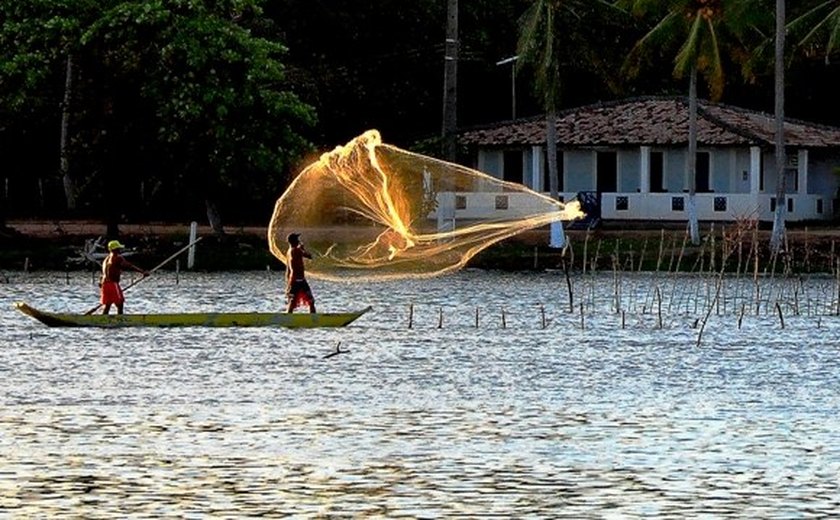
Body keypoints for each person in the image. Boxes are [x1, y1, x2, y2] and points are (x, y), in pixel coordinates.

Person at [100, 240, 148, 315]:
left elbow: (104, 273)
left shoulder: (106, 259)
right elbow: (129, 265)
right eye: (118, 248)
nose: (120, 250)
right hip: (112, 284)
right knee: (120, 303)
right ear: (115, 249)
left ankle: (103, 318)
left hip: (104, 284)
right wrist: (143, 272)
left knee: (108, 304)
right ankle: (121, 318)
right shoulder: (117, 258)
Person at [285, 232, 317, 313]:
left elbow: (288, 270)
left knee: (294, 302)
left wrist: (288, 282)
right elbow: (309, 256)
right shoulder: (296, 250)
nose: (299, 240)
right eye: (297, 239)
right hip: (297, 281)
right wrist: (302, 248)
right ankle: (312, 319)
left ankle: (289, 317)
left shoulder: (289, 252)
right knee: (308, 301)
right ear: (294, 241)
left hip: (298, 280)